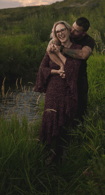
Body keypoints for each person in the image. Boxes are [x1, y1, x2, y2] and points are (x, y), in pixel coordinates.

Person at [34, 21, 82, 164]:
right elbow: (42, 69)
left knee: (65, 122)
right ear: (55, 34)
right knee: (50, 119)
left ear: (68, 30)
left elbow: (73, 71)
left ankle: (62, 158)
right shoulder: (50, 47)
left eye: (62, 30)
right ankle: (48, 155)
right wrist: (57, 71)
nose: (60, 33)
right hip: (53, 90)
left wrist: (59, 54)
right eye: (57, 31)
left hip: (68, 90)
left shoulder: (76, 48)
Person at [46, 17, 95, 123]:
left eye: (76, 30)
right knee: (63, 105)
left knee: (81, 105)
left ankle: (80, 130)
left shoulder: (89, 41)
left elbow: (83, 55)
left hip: (79, 76)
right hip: (63, 76)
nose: (72, 31)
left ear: (83, 33)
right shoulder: (68, 34)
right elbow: (51, 47)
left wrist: (63, 50)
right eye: (72, 27)